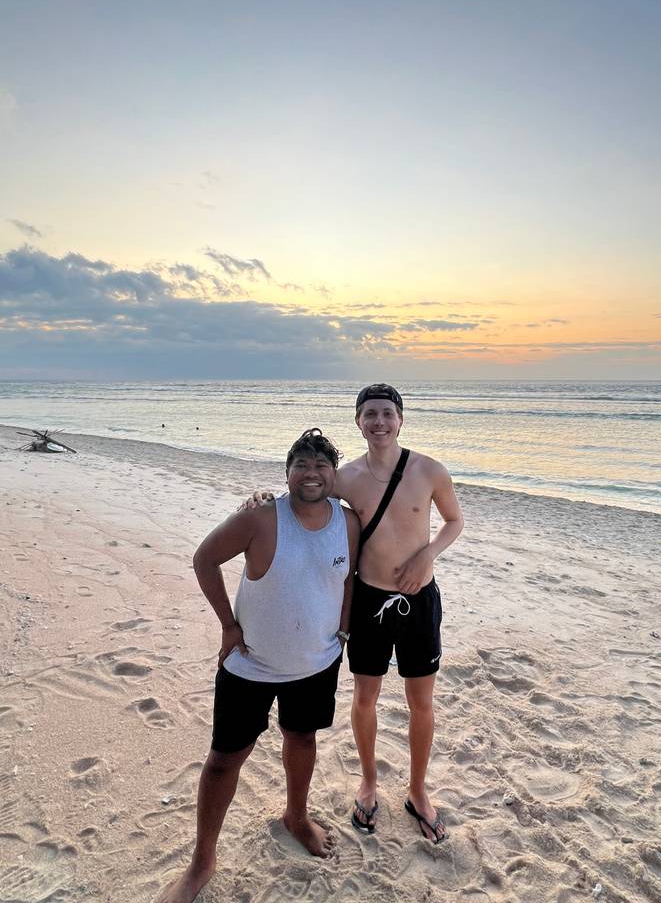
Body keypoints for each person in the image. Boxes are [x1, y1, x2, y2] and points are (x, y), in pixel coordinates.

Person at [245, 385, 463, 844]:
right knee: (365, 698)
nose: (379, 422)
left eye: (387, 413)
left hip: (420, 601)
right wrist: (262, 499)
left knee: (421, 703)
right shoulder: (346, 477)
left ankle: (418, 791)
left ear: (401, 419)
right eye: (370, 415)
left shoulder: (429, 471)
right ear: (358, 422)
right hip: (368, 601)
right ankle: (368, 783)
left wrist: (428, 557)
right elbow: (306, 488)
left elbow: (453, 522)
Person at [158, 429, 359, 903]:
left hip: (317, 662)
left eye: (321, 466)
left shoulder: (348, 522)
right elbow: (205, 559)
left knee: (302, 737)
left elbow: (349, 579)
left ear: (334, 474)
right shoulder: (262, 517)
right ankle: (202, 860)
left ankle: (296, 816)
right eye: (301, 465)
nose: (311, 473)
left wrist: (345, 631)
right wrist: (228, 626)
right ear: (287, 473)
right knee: (226, 759)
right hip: (250, 665)